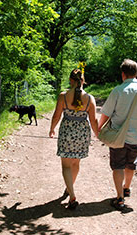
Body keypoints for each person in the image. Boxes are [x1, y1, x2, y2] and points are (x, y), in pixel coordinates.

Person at [98, 59, 137, 211]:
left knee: (118, 166)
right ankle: (127, 188)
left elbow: (105, 113)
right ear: (136, 73)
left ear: (123, 74)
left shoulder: (118, 91)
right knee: (130, 165)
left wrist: (98, 128)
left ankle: (119, 198)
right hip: (136, 137)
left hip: (118, 137)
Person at [49, 69, 99, 210]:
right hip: (82, 134)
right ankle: (69, 189)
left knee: (66, 165)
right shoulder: (89, 99)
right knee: (76, 164)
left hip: (66, 133)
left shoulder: (63, 96)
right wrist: (97, 134)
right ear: (83, 81)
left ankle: (71, 195)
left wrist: (52, 128)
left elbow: (56, 116)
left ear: (71, 80)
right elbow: (94, 121)